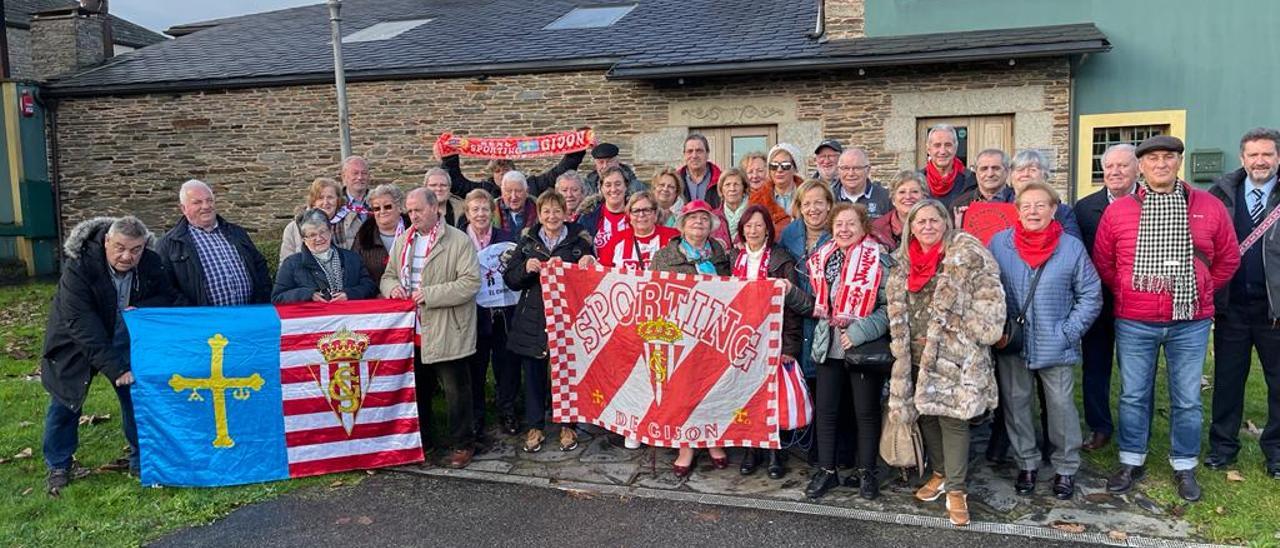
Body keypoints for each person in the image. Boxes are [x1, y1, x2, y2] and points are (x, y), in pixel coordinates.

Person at [1094, 135, 1239, 502]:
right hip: (1135, 319)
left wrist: (1201, 287)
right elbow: (1105, 262)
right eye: (1153, 158)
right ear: (1141, 166)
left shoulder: (1208, 206)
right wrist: (1128, 290)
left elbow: (1228, 258)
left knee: (1187, 398)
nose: (1161, 164)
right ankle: (1131, 460)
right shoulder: (1119, 211)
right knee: (1133, 395)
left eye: (1168, 157)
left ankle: (1184, 464)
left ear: (1179, 162)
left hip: (1190, 320)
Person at [886, 199, 1005, 527]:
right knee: (926, 414)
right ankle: (940, 472)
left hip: (954, 353)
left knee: (953, 419)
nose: (927, 226)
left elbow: (990, 299)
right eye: (920, 221)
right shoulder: (903, 263)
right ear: (911, 227)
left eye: (933, 220)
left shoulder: (966, 254)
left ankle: (956, 489)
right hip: (914, 353)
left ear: (945, 222)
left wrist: (966, 334)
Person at [41, 216, 179, 495]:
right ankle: (59, 465)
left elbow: (167, 297)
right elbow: (82, 323)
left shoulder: (151, 263)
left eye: (136, 250)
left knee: (136, 399)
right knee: (66, 401)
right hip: (76, 341)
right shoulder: (79, 266)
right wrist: (116, 368)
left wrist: (142, 307)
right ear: (106, 242)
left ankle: (142, 459)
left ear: (144, 246)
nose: (127, 256)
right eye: (120, 248)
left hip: (127, 338)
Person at [988, 182, 1102, 499]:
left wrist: (1068, 332)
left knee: (1061, 407)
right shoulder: (999, 244)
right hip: (1013, 342)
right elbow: (985, 289)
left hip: (1056, 342)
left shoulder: (1070, 248)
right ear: (1017, 210)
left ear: (1053, 210)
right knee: (1016, 404)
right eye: (1027, 205)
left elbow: (1091, 295)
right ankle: (1026, 462)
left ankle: (1066, 467)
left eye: (1041, 205)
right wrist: (996, 329)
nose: (1033, 211)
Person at [381, 188, 482, 469]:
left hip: (447, 328)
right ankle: (425, 442)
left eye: (418, 210)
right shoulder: (404, 240)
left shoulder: (458, 240)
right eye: (410, 211)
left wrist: (431, 294)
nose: (413, 216)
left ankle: (463, 444)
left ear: (435, 208)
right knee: (419, 392)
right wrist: (392, 288)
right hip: (412, 331)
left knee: (456, 392)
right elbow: (388, 276)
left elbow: (470, 282)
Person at [803, 203, 891, 501]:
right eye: (839, 224)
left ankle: (867, 472)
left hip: (861, 346)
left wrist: (858, 332)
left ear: (863, 227)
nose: (844, 229)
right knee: (826, 411)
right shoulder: (823, 258)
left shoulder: (878, 260)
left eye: (851, 223)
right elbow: (820, 302)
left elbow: (889, 308)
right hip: (828, 345)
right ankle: (827, 471)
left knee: (865, 412)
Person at [1207, 128, 1280, 479]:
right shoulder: (1221, 195)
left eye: (1267, 154)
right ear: (1242, 158)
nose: (1260, 161)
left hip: (1275, 311)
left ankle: (1276, 453)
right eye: (1253, 155)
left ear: (1278, 157)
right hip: (1231, 307)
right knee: (1227, 381)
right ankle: (1222, 448)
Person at [503, 191, 595, 453]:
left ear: (565, 214)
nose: (552, 216)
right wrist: (525, 268)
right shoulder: (528, 243)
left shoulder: (578, 242)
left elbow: (590, 282)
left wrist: (589, 262)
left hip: (568, 318)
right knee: (533, 374)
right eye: (546, 211)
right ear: (539, 215)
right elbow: (510, 279)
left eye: (557, 211)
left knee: (566, 373)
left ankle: (568, 425)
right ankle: (535, 426)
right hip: (533, 318)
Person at [729, 205, 812, 478]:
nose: (753, 230)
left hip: (773, 336)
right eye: (748, 226)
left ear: (767, 228)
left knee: (771, 397)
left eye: (758, 225)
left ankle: (775, 452)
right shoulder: (734, 258)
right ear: (742, 230)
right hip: (741, 338)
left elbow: (792, 309)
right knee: (746, 396)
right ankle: (751, 449)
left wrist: (789, 347)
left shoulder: (781, 259)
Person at [651, 200, 732, 477]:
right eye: (693, 218)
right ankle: (686, 445)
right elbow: (655, 294)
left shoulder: (720, 254)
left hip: (714, 333)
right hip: (680, 334)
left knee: (713, 387)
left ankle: (712, 439)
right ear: (682, 225)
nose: (699, 223)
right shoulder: (664, 257)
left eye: (704, 219)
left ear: (711, 226)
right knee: (684, 390)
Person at [1074, 144, 1139, 451]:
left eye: (1122, 166)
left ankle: (1135, 429)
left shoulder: (1151, 203)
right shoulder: (1086, 208)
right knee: (1095, 367)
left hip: (1138, 301)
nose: (1115, 172)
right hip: (1098, 300)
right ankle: (1099, 426)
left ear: (1137, 169)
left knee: (1136, 370)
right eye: (1109, 166)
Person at [460, 189, 519, 437]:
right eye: (475, 209)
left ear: (492, 213)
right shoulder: (459, 239)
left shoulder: (505, 237)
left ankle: (507, 411)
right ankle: (476, 416)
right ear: (467, 213)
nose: (481, 214)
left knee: (506, 364)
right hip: (473, 313)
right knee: (476, 366)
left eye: (485, 209)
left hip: (503, 312)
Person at [158, 179, 271, 306]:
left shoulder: (236, 232)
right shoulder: (169, 244)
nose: (206, 206)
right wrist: (194, 313)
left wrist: (261, 299)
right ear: (183, 208)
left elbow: (259, 265)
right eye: (197, 202)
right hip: (204, 317)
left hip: (248, 313)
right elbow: (166, 288)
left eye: (209, 200)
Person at [780, 180, 835, 381]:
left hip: (826, 323)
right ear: (800, 208)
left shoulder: (839, 233)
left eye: (818, 202)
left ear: (828, 204)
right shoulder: (789, 234)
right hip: (796, 322)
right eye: (807, 204)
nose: (813, 209)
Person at [272, 209, 377, 303]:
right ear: (304, 240)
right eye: (312, 235)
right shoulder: (291, 264)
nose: (319, 238)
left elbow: (370, 287)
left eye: (322, 232)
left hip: (348, 317)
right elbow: (277, 297)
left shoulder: (352, 258)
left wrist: (349, 294)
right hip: (313, 317)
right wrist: (309, 294)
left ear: (331, 231)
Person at [437, 141, 585, 199]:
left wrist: (577, 146)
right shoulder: (484, 189)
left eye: (506, 169)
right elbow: (458, 184)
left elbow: (558, 173)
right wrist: (450, 157)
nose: (502, 173)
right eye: (497, 171)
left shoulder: (532, 184)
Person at [278, 177, 363, 264]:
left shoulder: (354, 223)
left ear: (338, 200)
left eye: (330, 197)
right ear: (313, 201)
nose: (325, 202)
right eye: (320, 198)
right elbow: (286, 263)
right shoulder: (293, 228)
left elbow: (362, 258)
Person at [595, 191, 679, 270]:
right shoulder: (616, 240)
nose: (641, 215)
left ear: (655, 213)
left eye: (647, 210)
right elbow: (603, 271)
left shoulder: (672, 237)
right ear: (629, 215)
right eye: (636, 211)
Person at [1007, 149, 1082, 238]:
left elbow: (1073, 243)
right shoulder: (1000, 205)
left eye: (1033, 170)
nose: (1026, 174)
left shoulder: (1062, 212)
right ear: (1011, 175)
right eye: (1020, 170)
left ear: (1045, 176)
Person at [352, 184, 410, 282]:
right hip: (374, 291)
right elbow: (355, 270)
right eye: (377, 208)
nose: (382, 211)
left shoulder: (413, 231)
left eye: (387, 207)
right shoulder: (364, 236)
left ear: (400, 207)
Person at [750, 143, 806, 236]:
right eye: (774, 165)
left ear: (795, 168)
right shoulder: (756, 200)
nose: (779, 170)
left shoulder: (808, 195)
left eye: (785, 165)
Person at [950, 149, 1013, 226]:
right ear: (976, 172)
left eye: (996, 168)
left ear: (1007, 171)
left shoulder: (1019, 202)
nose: (990, 174)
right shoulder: (959, 204)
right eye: (984, 169)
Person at [919, 125, 977, 209]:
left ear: (955, 148)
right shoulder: (918, 180)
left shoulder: (971, 180)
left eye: (948, 145)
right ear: (928, 149)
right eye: (937, 145)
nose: (942, 151)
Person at [872, 171, 926, 251]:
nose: (908, 197)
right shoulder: (878, 228)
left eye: (914, 191)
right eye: (902, 192)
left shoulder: (935, 224)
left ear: (924, 197)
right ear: (893, 199)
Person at [833, 147, 892, 218]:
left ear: (868, 170)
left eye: (857, 168)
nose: (851, 173)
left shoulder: (886, 197)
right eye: (845, 168)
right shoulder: (830, 197)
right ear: (838, 170)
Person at [678, 134, 723, 207]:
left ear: (707, 154)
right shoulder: (675, 181)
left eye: (699, 151)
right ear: (684, 155)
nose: (694, 156)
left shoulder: (721, 180)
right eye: (690, 151)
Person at [714, 168, 750, 246]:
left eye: (736, 184)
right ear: (721, 189)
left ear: (744, 188)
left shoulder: (754, 214)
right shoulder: (713, 217)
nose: (732, 189)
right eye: (727, 185)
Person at [341, 156, 372, 221]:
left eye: (364, 173)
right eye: (355, 173)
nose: (360, 177)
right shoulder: (336, 202)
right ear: (344, 176)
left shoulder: (377, 200)